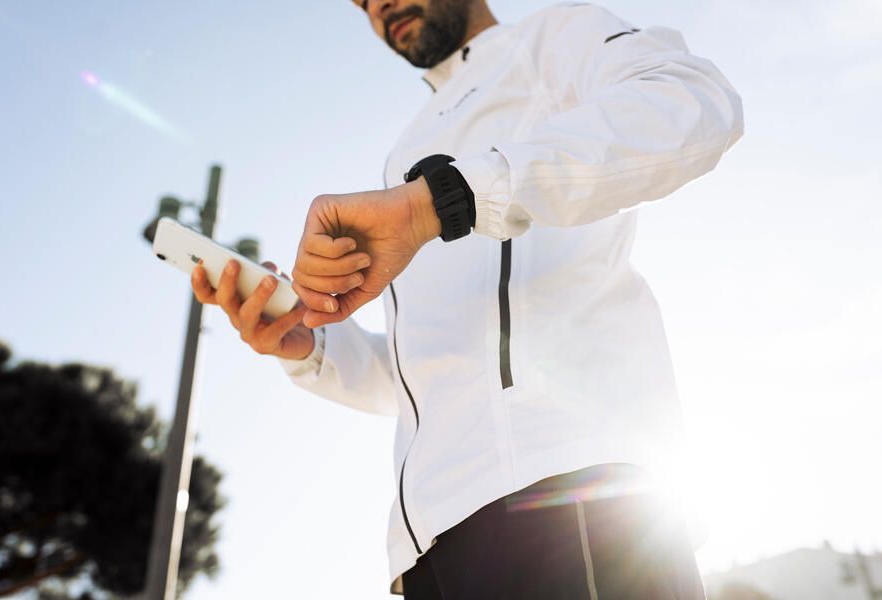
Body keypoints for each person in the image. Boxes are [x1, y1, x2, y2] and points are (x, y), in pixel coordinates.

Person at [191, 1, 744, 597]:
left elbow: (690, 101)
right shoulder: (403, 150)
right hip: (430, 543)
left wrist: (440, 201)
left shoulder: (551, 40)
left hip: (569, 490)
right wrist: (309, 347)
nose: (377, 6)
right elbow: (430, 375)